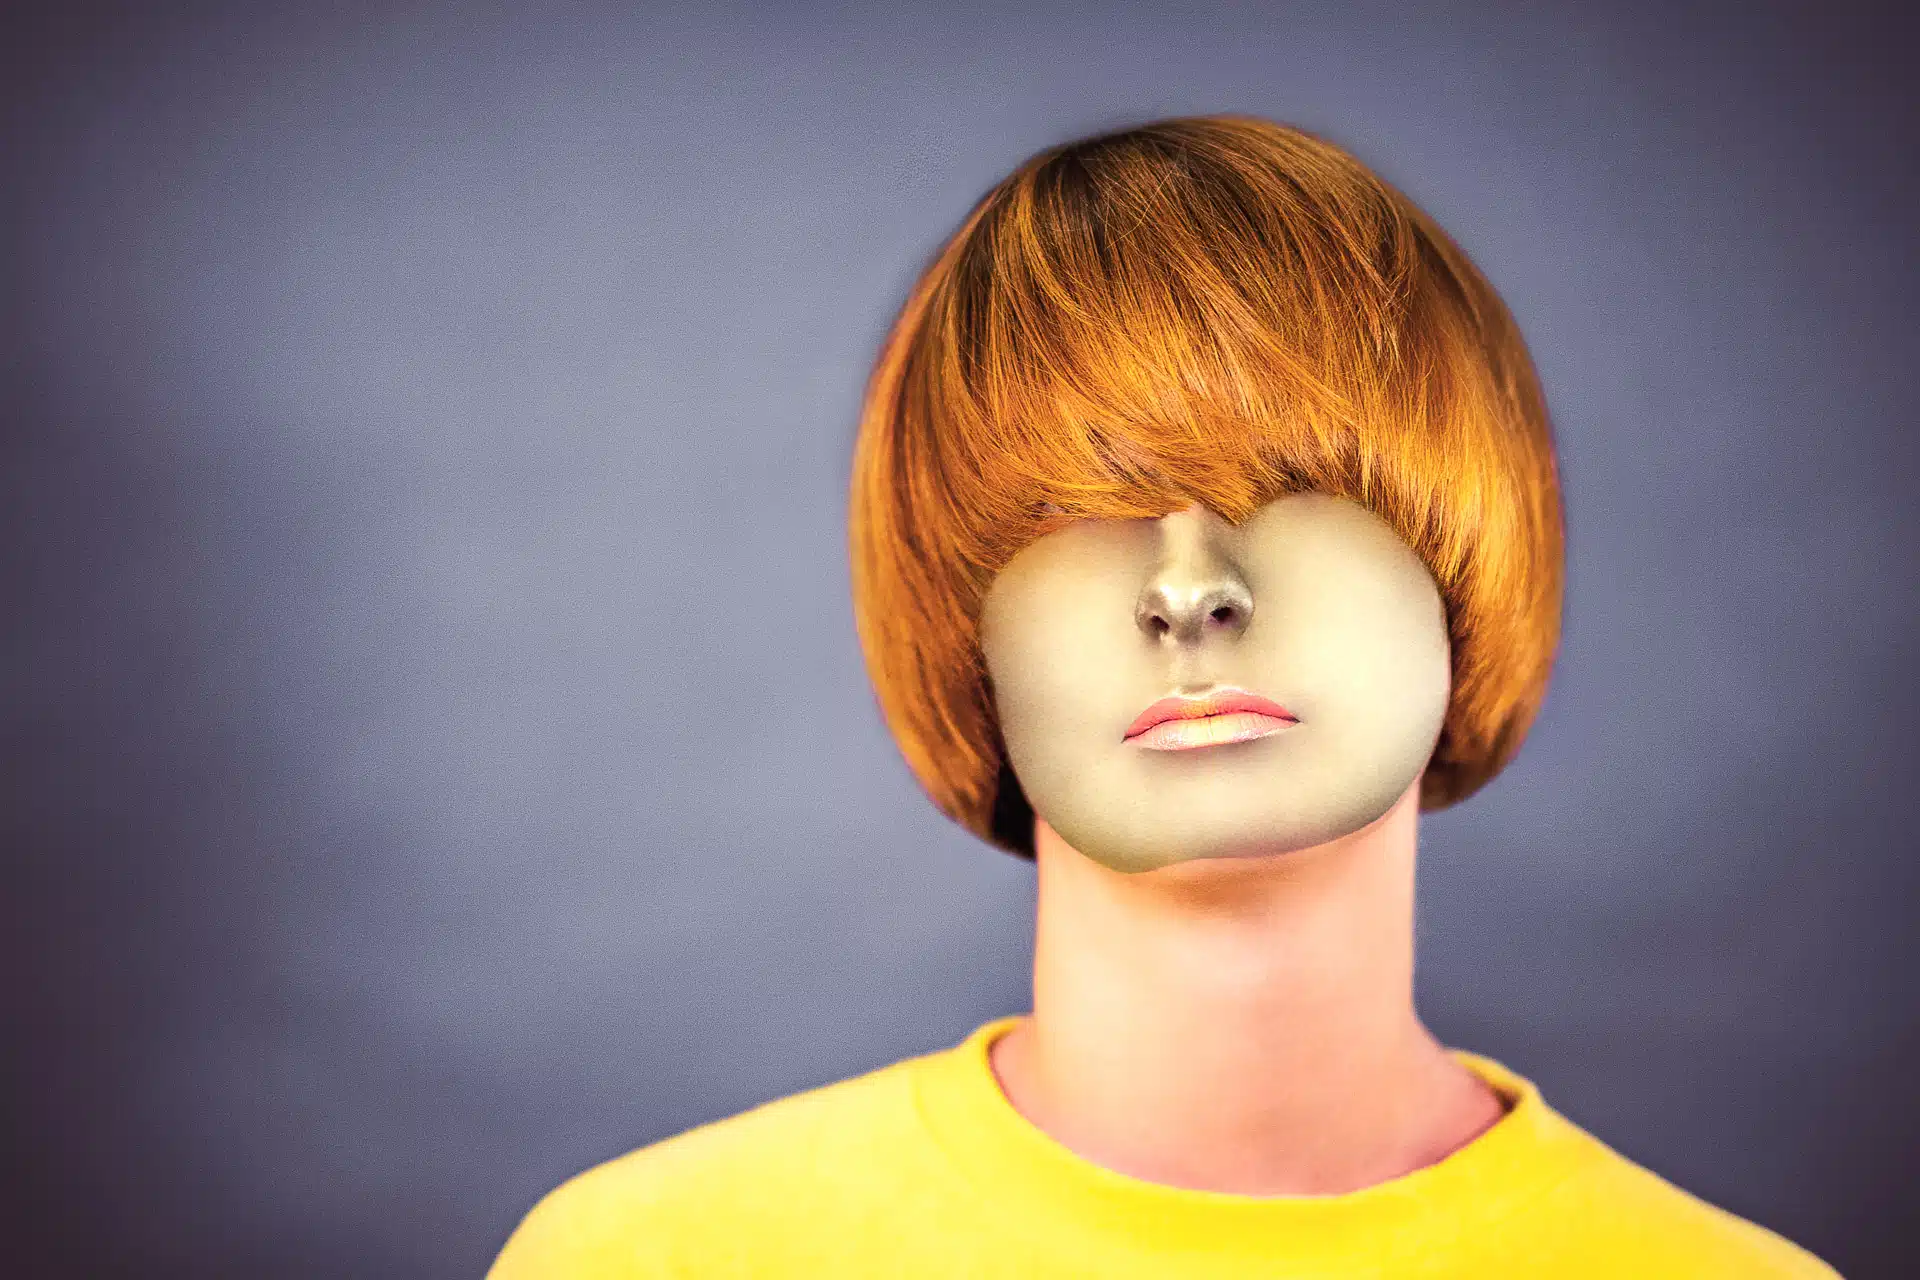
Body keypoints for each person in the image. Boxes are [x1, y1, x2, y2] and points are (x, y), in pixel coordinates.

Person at [488, 115, 1840, 1276]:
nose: (1190, 591)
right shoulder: (647, 1260)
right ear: (969, 636)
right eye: (1073, 510)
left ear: (1467, 566)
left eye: (1301, 487)